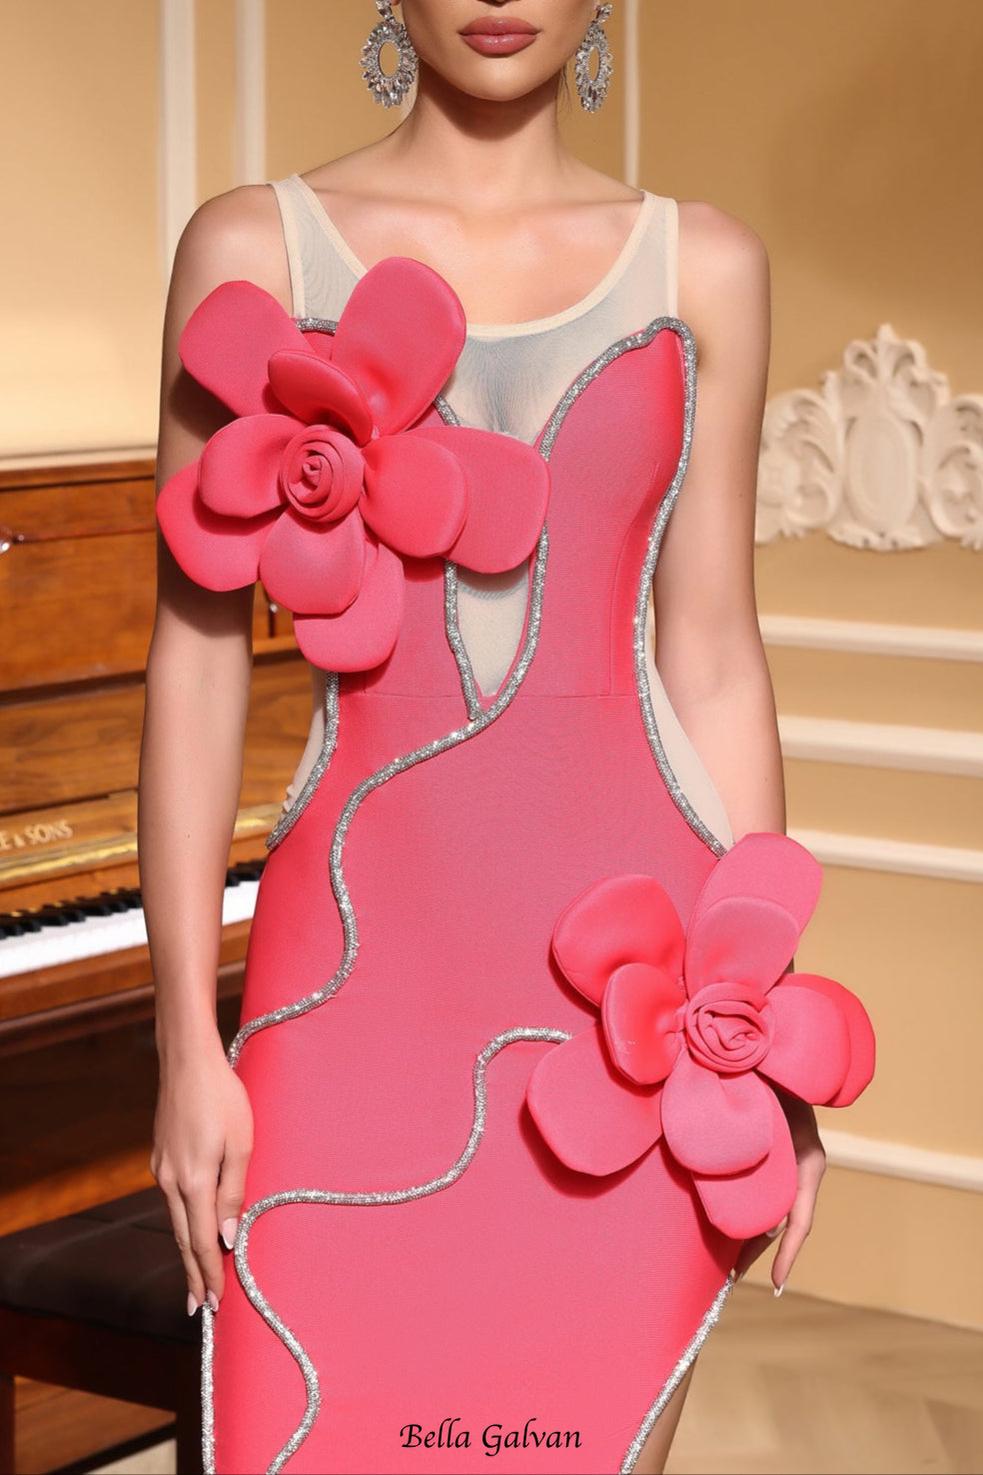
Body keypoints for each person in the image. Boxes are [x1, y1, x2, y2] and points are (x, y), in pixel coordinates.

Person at [139, 4, 860, 1471]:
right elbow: (195, 665)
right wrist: (182, 1043)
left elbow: (714, 656)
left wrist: (758, 1045)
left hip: (630, 1028)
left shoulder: (705, 271)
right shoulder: (253, 256)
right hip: (346, 1005)